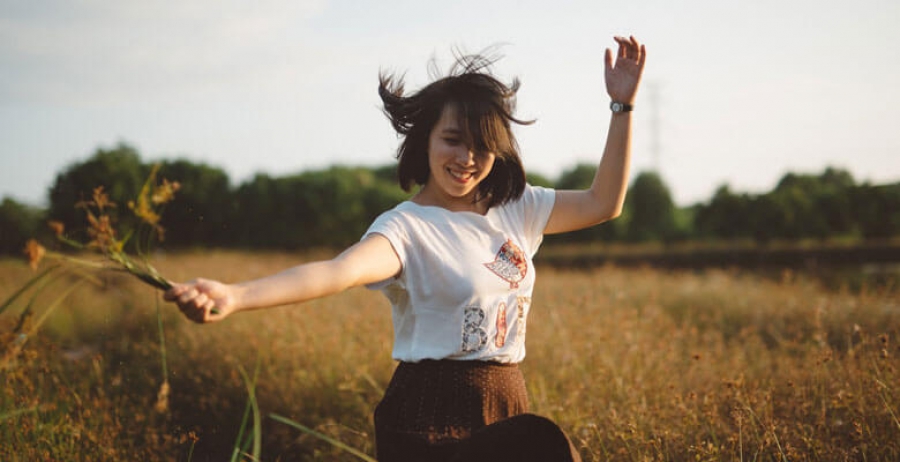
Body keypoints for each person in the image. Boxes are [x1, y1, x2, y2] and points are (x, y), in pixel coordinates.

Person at [165, 36, 646, 461]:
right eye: (452, 140)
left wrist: (621, 108)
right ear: (426, 140)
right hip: (429, 416)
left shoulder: (516, 207)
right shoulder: (407, 228)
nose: (466, 159)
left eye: (481, 146)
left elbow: (604, 203)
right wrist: (236, 295)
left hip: (506, 402)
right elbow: (336, 272)